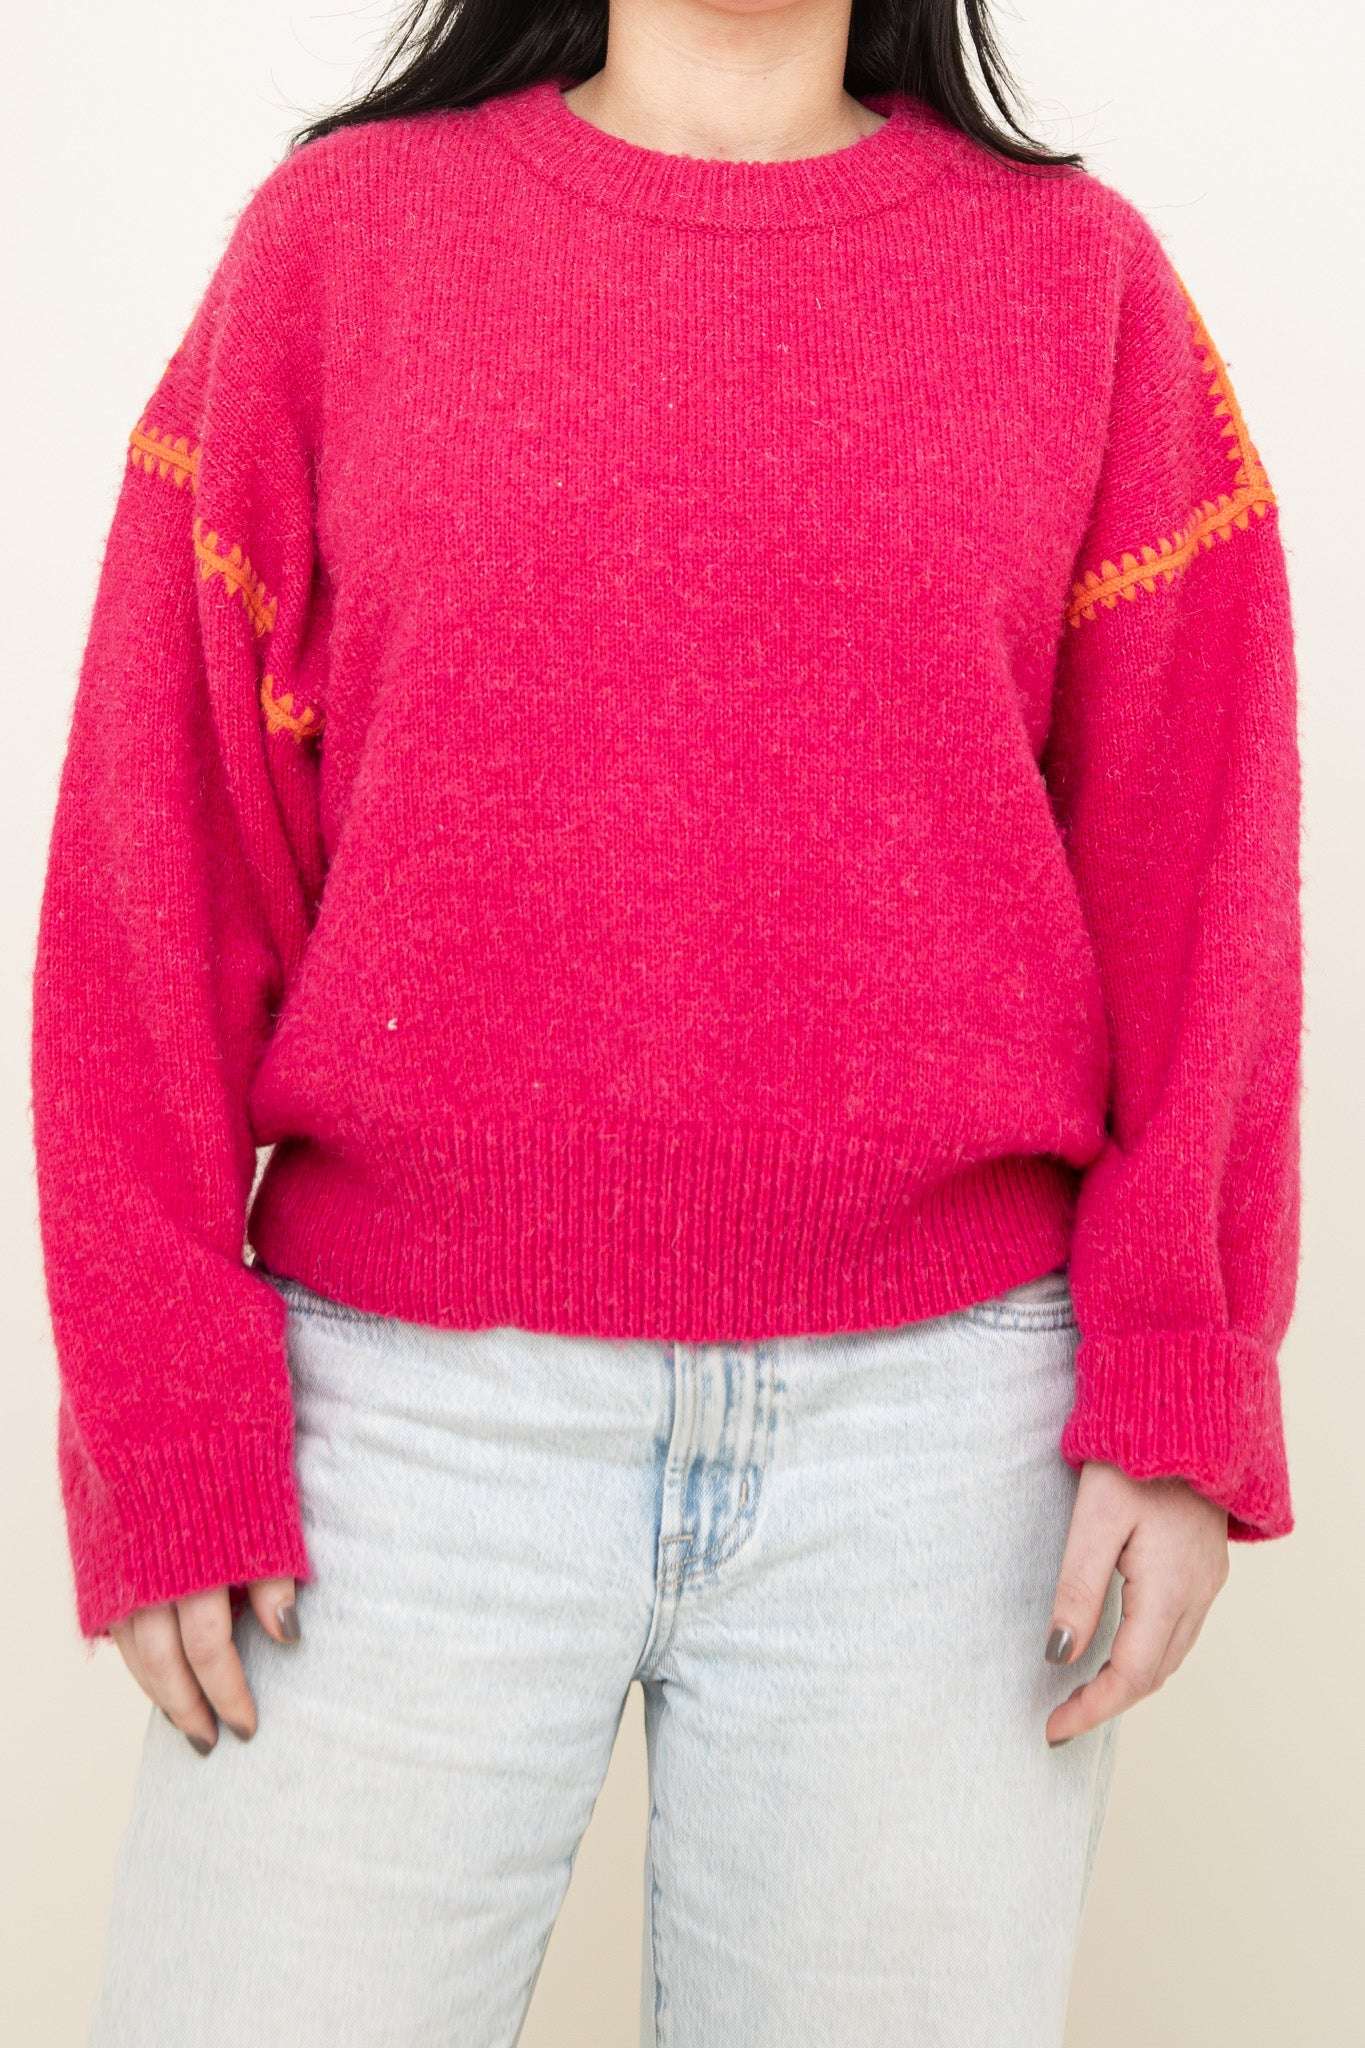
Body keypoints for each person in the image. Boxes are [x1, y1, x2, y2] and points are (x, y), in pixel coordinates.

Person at [30, 0, 1301, 2041]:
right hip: (392, 1441)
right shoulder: (338, 250)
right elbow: (149, 875)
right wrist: (164, 1419)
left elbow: (1198, 876)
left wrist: (1179, 1385)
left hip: (937, 1463)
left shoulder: (1083, 289)